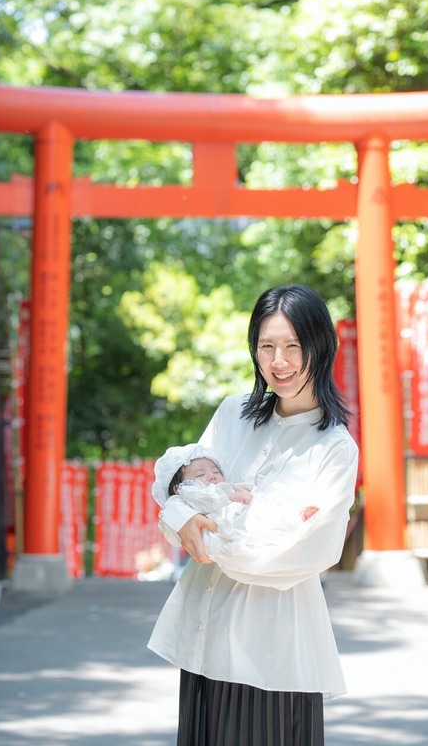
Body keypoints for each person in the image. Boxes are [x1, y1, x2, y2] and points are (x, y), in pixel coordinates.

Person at [147, 284, 360, 746]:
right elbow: (180, 485)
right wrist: (183, 517)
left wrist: (206, 534)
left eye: (293, 346)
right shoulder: (233, 414)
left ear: (320, 347)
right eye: (267, 346)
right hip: (204, 634)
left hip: (271, 647)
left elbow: (307, 550)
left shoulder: (333, 448)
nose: (279, 362)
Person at [151, 442, 320, 559]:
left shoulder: (225, 487)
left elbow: (242, 492)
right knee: (253, 524)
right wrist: (232, 496)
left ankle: (293, 517)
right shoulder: (188, 493)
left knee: (264, 508)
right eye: (200, 474)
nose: (211, 476)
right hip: (222, 524)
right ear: (178, 488)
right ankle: (292, 521)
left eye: (216, 471)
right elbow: (205, 499)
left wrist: (245, 491)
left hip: (236, 515)